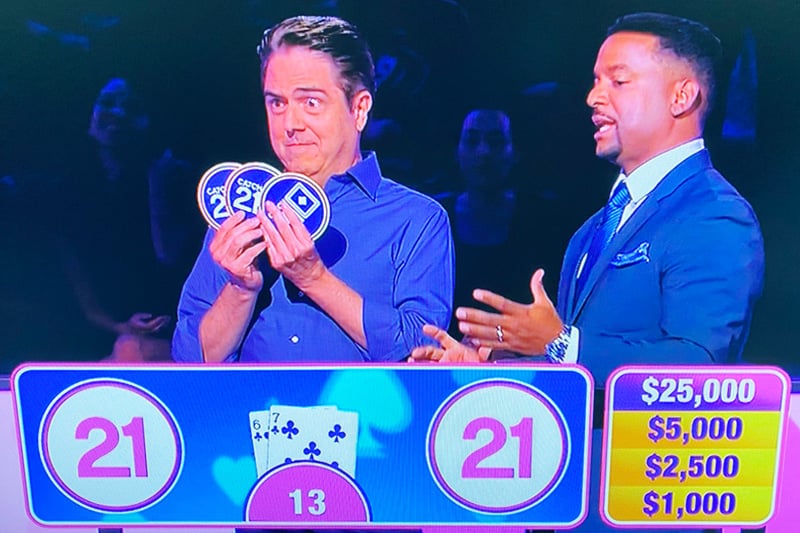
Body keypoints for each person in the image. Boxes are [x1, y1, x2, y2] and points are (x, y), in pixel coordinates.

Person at [411, 12, 765, 385]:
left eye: (619, 81)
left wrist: (561, 343)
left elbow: (699, 364)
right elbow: (575, 370)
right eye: (596, 81)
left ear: (681, 96)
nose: (593, 97)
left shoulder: (714, 215)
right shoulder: (592, 229)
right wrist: (491, 366)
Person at [172, 15, 453, 363]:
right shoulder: (240, 209)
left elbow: (422, 351)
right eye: (277, 103)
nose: (290, 124)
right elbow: (189, 361)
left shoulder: (416, 219)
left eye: (310, 102)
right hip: (249, 400)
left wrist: (313, 278)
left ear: (359, 108)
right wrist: (240, 290)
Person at [58, 78, 199, 362]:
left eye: (130, 107)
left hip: (170, 328)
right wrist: (116, 325)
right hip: (100, 327)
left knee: (130, 350)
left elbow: (168, 255)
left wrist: (157, 188)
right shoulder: (74, 184)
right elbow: (71, 262)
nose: (118, 113)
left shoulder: (177, 178)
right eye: (108, 103)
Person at [435, 109, 564, 330]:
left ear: (515, 152)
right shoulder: (435, 219)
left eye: (495, 142)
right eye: (472, 140)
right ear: (456, 150)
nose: (483, 152)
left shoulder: (545, 219)